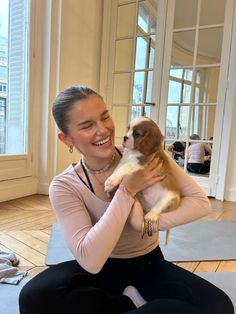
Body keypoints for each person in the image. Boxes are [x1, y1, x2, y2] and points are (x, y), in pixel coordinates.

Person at [19, 85, 234, 314]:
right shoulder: (64, 185)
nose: (103, 130)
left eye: (105, 117)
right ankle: (125, 304)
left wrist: (150, 222)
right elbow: (91, 261)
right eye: (87, 125)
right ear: (66, 138)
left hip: (148, 264)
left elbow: (200, 202)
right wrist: (127, 190)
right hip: (99, 269)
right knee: (34, 296)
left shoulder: (148, 156)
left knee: (219, 307)